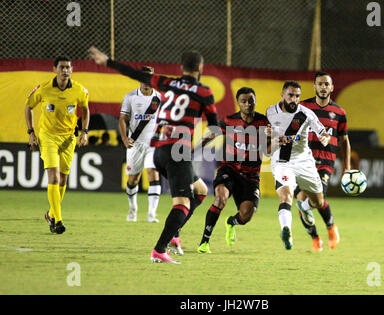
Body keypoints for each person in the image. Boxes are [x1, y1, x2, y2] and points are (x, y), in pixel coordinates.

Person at [89, 46, 218, 264]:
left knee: (201, 190)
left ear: (182, 68)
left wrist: (107, 61)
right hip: (177, 152)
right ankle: (160, 249)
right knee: (183, 204)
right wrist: (196, 147)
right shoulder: (204, 92)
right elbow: (214, 129)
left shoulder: (166, 82)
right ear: (200, 68)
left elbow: (137, 74)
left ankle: (174, 232)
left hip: (159, 151)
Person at [195, 87, 270, 254]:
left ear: (255, 100)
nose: (248, 104)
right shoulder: (230, 121)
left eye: (251, 100)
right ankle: (204, 242)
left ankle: (231, 222)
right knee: (220, 198)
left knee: (246, 216)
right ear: (238, 103)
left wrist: (273, 139)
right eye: (244, 101)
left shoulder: (265, 123)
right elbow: (211, 134)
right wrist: (194, 149)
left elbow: (269, 150)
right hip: (229, 169)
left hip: (251, 176)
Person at [25, 56, 90, 234]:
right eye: (61, 67)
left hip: (69, 138)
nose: (65, 70)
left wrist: (84, 132)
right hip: (48, 137)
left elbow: (85, 109)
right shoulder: (44, 89)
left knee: (62, 179)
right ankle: (57, 221)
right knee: (53, 177)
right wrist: (31, 133)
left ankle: (51, 214)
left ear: (72, 70)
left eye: (68, 67)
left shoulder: (79, 90)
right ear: (54, 69)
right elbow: (28, 107)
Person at [266, 81, 330, 251]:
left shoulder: (306, 113)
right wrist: (272, 138)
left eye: (297, 96)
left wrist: (324, 138)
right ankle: (286, 229)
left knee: (318, 202)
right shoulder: (271, 112)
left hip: (304, 161)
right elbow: (267, 139)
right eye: (290, 95)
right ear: (282, 95)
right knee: (286, 195)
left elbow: (322, 132)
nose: (294, 99)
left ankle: (304, 206)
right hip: (282, 161)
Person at [293, 72, 350, 251]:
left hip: (325, 162)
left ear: (332, 88)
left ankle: (331, 227)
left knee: (317, 200)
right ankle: (315, 238)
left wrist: (347, 168)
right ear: (314, 86)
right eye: (320, 84)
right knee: (301, 201)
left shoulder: (339, 113)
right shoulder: (302, 107)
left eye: (327, 84)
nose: (323, 87)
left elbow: (345, 141)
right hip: (303, 161)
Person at [119, 66, 162, 223]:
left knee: (152, 173)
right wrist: (125, 139)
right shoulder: (130, 97)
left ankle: (152, 213)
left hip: (153, 144)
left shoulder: (160, 98)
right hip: (135, 144)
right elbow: (122, 119)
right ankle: (133, 207)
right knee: (133, 180)